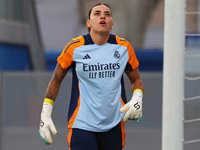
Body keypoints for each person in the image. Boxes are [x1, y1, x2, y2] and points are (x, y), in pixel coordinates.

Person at [39, 3, 144, 150]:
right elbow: (55, 81)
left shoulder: (124, 48)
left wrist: (137, 98)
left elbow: (136, 80)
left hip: (114, 124)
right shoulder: (74, 47)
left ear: (112, 24)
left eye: (107, 14)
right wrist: (45, 114)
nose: (102, 16)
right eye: (97, 13)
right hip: (82, 124)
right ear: (88, 23)